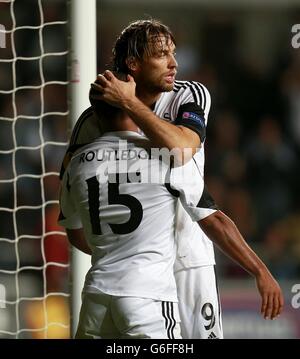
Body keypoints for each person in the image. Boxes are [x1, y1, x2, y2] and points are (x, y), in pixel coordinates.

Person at [61, 19, 283, 338]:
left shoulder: (188, 94)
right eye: (162, 54)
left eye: (173, 53)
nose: (174, 63)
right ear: (133, 64)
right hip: (140, 270)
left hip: (189, 257)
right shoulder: (91, 120)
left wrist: (129, 103)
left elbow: (182, 148)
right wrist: (122, 251)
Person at [59, 87, 208, 338]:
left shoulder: (77, 162)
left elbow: (74, 234)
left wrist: (113, 250)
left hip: (96, 295)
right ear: (131, 104)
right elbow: (215, 221)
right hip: (147, 295)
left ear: (96, 115)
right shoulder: (163, 155)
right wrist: (259, 271)